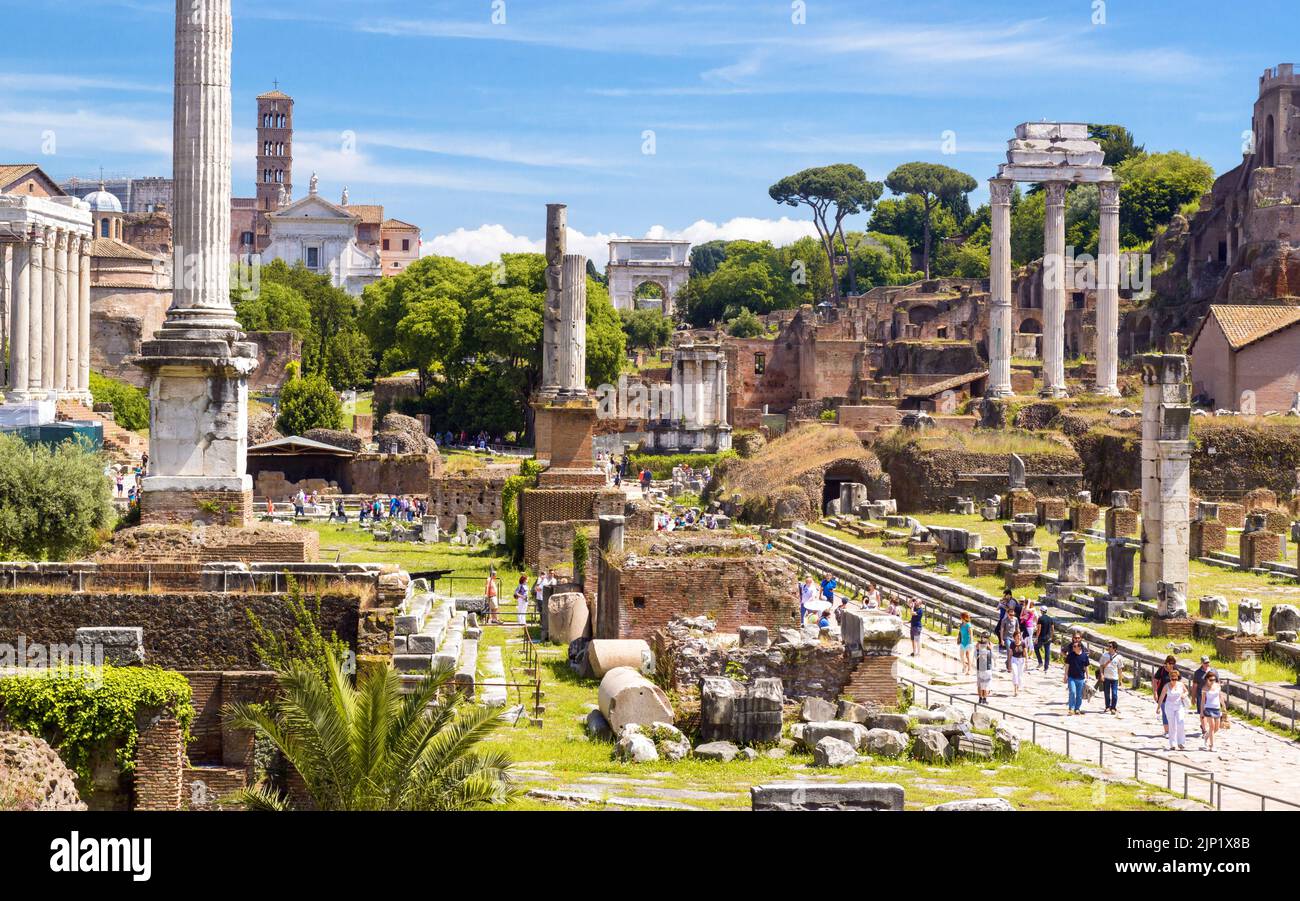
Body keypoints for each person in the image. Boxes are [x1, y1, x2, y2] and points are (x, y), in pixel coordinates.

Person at [1158, 668, 1191, 751]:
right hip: (1169, 707)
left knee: (1180, 722)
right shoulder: (1166, 686)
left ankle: (1181, 742)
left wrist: (1184, 694)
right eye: (1173, 679)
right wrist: (1158, 707)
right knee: (1172, 725)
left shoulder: (1180, 684)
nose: (1174, 681)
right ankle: (1173, 743)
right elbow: (1162, 696)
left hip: (1179, 706)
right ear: (1170, 678)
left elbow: (1187, 691)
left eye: (1176, 679)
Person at [1064, 632, 1090, 715]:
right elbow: (1067, 665)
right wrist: (1065, 675)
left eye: (1075, 646)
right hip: (1071, 677)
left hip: (1081, 678)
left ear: (1079, 647)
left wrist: (1088, 676)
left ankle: (1077, 708)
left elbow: (1086, 666)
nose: (1073, 647)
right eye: (1073, 646)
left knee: (1079, 695)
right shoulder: (1070, 655)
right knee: (1072, 692)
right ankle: (1071, 708)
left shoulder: (1084, 656)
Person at [1152, 655, 1177, 737]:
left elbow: (1179, 681)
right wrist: (1155, 692)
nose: (1172, 665)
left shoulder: (1175, 670)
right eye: (1170, 663)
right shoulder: (1162, 670)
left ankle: (1173, 729)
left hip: (1173, 696)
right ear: (1166, 663)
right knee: (1165, 713)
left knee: (1173, 713)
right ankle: (1167, 731)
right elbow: (1155, 681)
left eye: (1173, 663)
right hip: (1162, 695)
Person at [1200, 672, 1224, 752]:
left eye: (1214, 679)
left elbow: (1220, 696)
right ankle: (1212, 745)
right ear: (1207, 679)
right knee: (1212, 726)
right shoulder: (1204, 688)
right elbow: (1203, 701)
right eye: (1211, 680)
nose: (1213, 681)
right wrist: (1201, 712)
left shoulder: (1217, 686)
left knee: (1217, 728)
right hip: (1208, 708)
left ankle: (1207, 736)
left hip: (1217, 708)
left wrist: (1224, 706)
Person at [1098, 641, 1122, 714]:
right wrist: (1102, 675)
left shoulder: (1119, 657)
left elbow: (1120, 669)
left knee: (1114, 694)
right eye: (1108, 646)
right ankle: (1107, 706)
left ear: (1114, 648)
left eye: (1110, 646)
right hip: (1106, 677)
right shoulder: (1104, 655)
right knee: (1107, 693)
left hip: (1114, 678)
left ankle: (1113, 707)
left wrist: (1120, 680)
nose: (1108, 647)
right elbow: (1101, 666)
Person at [975, 634, 994, 704]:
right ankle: (984, 699)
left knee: (980, 684)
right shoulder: (988, 649)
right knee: (985, 685)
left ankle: (981, 698)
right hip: (986, 668)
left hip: (981, 668)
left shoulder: (978, 647)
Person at [1008, 630, 1027, 696]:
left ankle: (1018, 687)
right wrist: (1009, 663)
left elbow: (1025, 653)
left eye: (1019, 636)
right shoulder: (1012, 643)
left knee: (1020, 676)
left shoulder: (1023, 643)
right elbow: (1010, 653)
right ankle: (1015, 689)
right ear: (1014, 637)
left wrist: (1026, 663)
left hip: (1021, 660)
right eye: (1017, 636)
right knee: (1015, 674)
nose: (1019, 637)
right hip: (1014, 660)